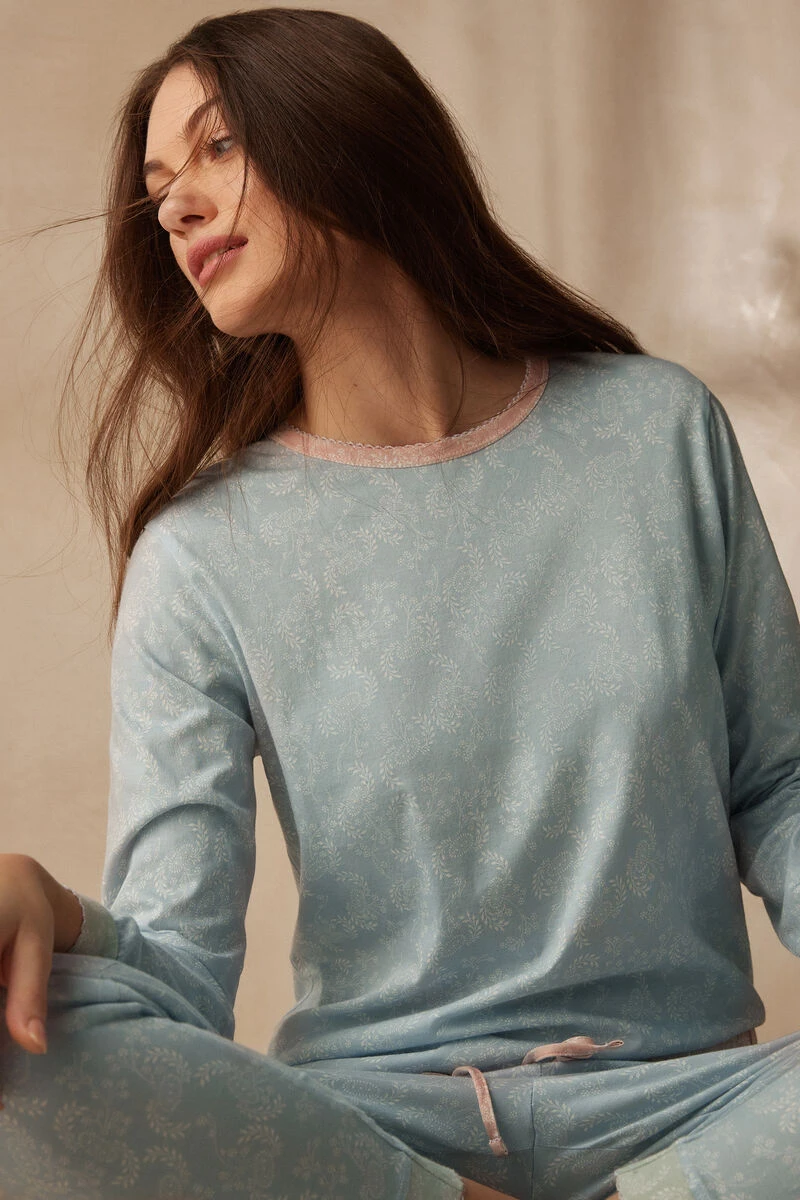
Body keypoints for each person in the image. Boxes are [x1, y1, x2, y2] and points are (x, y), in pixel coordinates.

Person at [1, 8, 798, 1199]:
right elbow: (174, 988)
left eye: (217, 146)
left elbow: (779, 781)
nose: (174, 209)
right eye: (159, 189)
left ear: (346, 125)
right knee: (21, 1047)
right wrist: (53, 914)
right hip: (372, 1143)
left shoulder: (654, 430)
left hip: (685, 1106)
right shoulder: (200, 554)